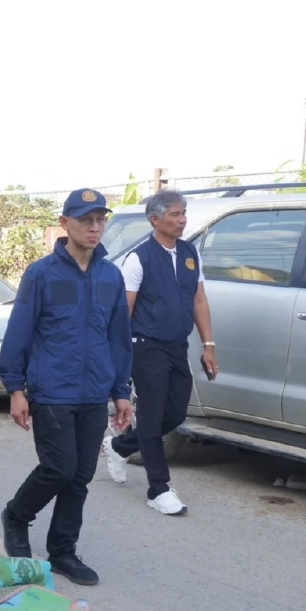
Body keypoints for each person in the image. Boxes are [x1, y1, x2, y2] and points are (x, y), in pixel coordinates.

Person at [0, 188, 133, 586]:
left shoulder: (111, 275)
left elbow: (118, 337)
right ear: (64, 224)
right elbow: (20, 329)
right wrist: (15, 388)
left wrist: (121, 391)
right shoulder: (42, 273)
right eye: (86, 219)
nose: (94, 227)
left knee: (80, 476)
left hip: (94, 391)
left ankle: (62, 551)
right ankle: (17, 516)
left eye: (100, 219)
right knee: (59, 468)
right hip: (51, 388)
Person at [103, 190, 217, 516]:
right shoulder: (139, 258)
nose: (182, 220)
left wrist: (209, 346)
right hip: (146, 345)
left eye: (184, 214)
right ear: (155, 219)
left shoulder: (190, 253)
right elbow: (124, 312)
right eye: (175, 215)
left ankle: (120, 445)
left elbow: (199, 301)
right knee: (152, 418)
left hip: (176, 345)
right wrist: (121, 359)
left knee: (176, 414)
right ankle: (159, 489)